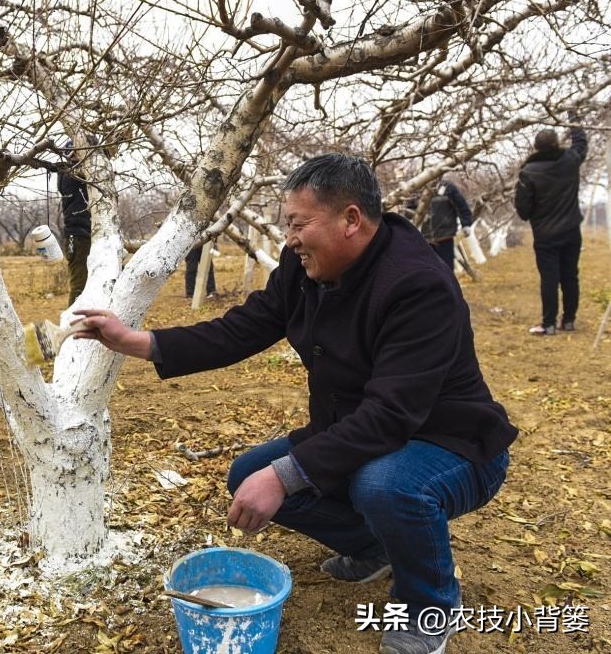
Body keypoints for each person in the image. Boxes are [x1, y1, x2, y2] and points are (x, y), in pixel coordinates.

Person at [75, 154, 517, 654]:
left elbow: (392, 413)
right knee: (249, 473)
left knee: (383, 485)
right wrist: (137, 341)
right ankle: (373, 546)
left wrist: (284, 475)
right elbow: (246, 326)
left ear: (351, 219)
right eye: (288, 224)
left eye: (299, 224)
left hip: (450, 444)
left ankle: (429, 606)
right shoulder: (305, 265)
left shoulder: (418, 285)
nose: (290, 238)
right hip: (362, 432)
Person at [514, 123, 587, 335]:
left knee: (550, 279)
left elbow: (523, 211)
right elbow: (581, 144)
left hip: (546, 235)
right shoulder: (570, 161)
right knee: (570, 276)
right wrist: (575, 120)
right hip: (572, 231)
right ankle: (569, 320)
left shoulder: (528, 173)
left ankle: (549, 324)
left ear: (536, 148)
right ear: (557, 144)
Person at [409, 180, 475, 270]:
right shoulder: (419, 189)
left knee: (447, 270)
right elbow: (409, 211)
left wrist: (466, 224)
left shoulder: (449, 188)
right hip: (425, 239)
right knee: (429, 270)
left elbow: (462, 206)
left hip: (445, 237)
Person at [58, 139, 92, 304]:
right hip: (78, 236)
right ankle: (72, 326)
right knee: (80, 286)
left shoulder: (75, 173)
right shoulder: (71, 174)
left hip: (83, 235)